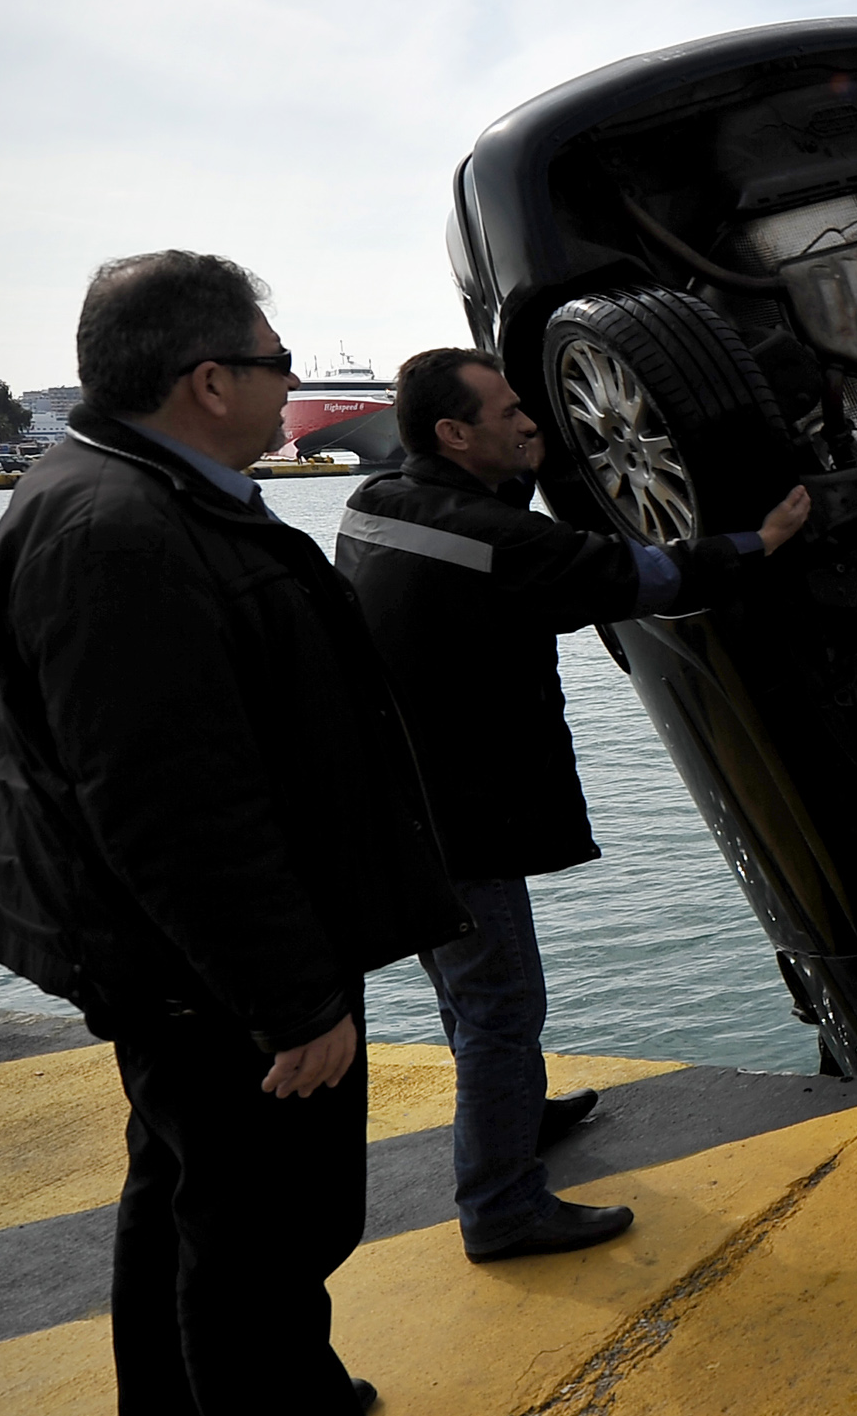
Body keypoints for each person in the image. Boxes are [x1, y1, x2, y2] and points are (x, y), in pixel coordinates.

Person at [0, 251, 483, 1416]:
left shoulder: (133, 500)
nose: (287, 382)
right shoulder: (118, 534)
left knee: (186, 1188)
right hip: (206, 961)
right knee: (262, 1223)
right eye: (272, 361)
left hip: (176, 951)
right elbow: (172, 803)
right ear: (207, 381)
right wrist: (290, 997)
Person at [337, 348, 810, 1260]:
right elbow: (637, 578)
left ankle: (514, 1115)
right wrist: (764, 544)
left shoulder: (381, 502)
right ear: (452, 433)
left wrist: (521, 482)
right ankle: (501, 1207)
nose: (532, 424)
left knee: (466, 996)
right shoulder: (500, 542)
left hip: (393, 796)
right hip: (459, 814)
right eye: (509, 411)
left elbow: (493, 574)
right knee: (501, 1005)